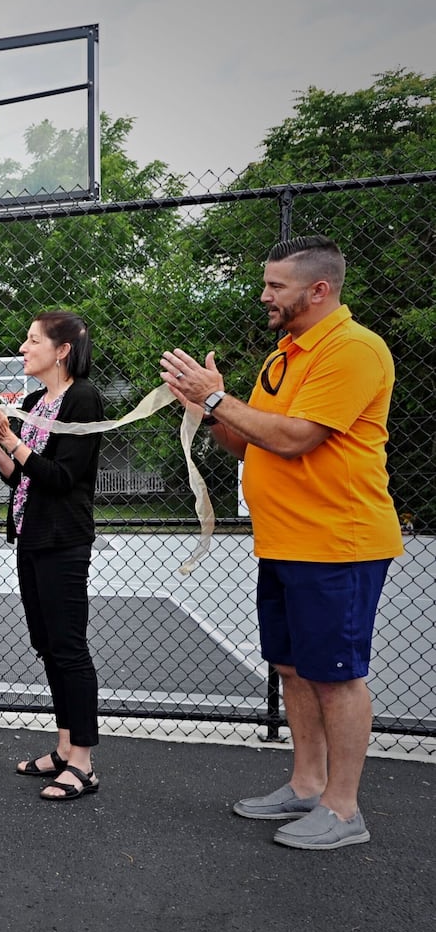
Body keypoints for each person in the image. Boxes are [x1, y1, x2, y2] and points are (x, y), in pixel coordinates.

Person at [160, 235, 402, 849]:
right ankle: (305, 784)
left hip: (337, 543)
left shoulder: (354, 349)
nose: (265, 295)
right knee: (293, 668)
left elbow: (297, 439)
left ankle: (344, 809)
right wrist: (210, 411)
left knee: (336, 676)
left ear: (318, 290)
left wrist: (217, 396)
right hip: (285, 542)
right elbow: (250, 441)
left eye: (276, 286)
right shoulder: (285, 354)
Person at [0, 311, 104, 800]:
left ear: (61, 350)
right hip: (31, 535)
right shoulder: (38, 400)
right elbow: (20, 476)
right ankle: (64, 748)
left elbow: (62, 478)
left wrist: (11, 441)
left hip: (64, 539)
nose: (23, 348)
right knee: (46, 643)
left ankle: (83, 761)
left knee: (69, 647)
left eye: (32, 340)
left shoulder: (83, 398)